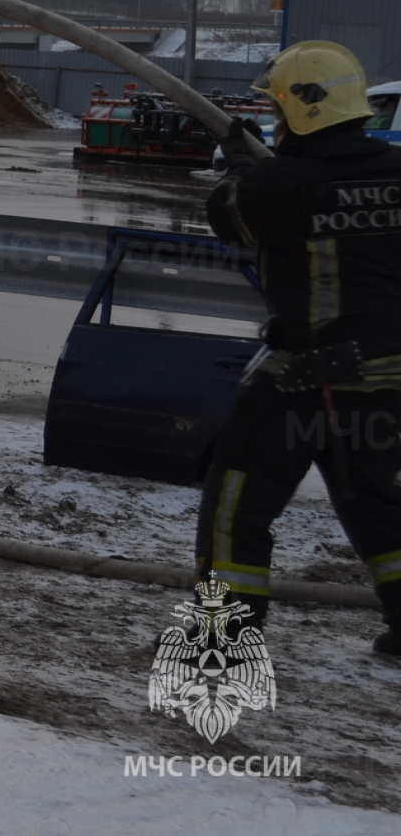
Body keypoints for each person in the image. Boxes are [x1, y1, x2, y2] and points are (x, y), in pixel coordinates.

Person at [195, 40, 401, 657]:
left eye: (280, 111)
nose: (276, 123)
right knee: (380, 504)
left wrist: (239, 166)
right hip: (388, 381)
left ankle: (227, 637)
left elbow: (228, 219)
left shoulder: (280, 183)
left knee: (237, 502)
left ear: (303, 112)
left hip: (303, 383)